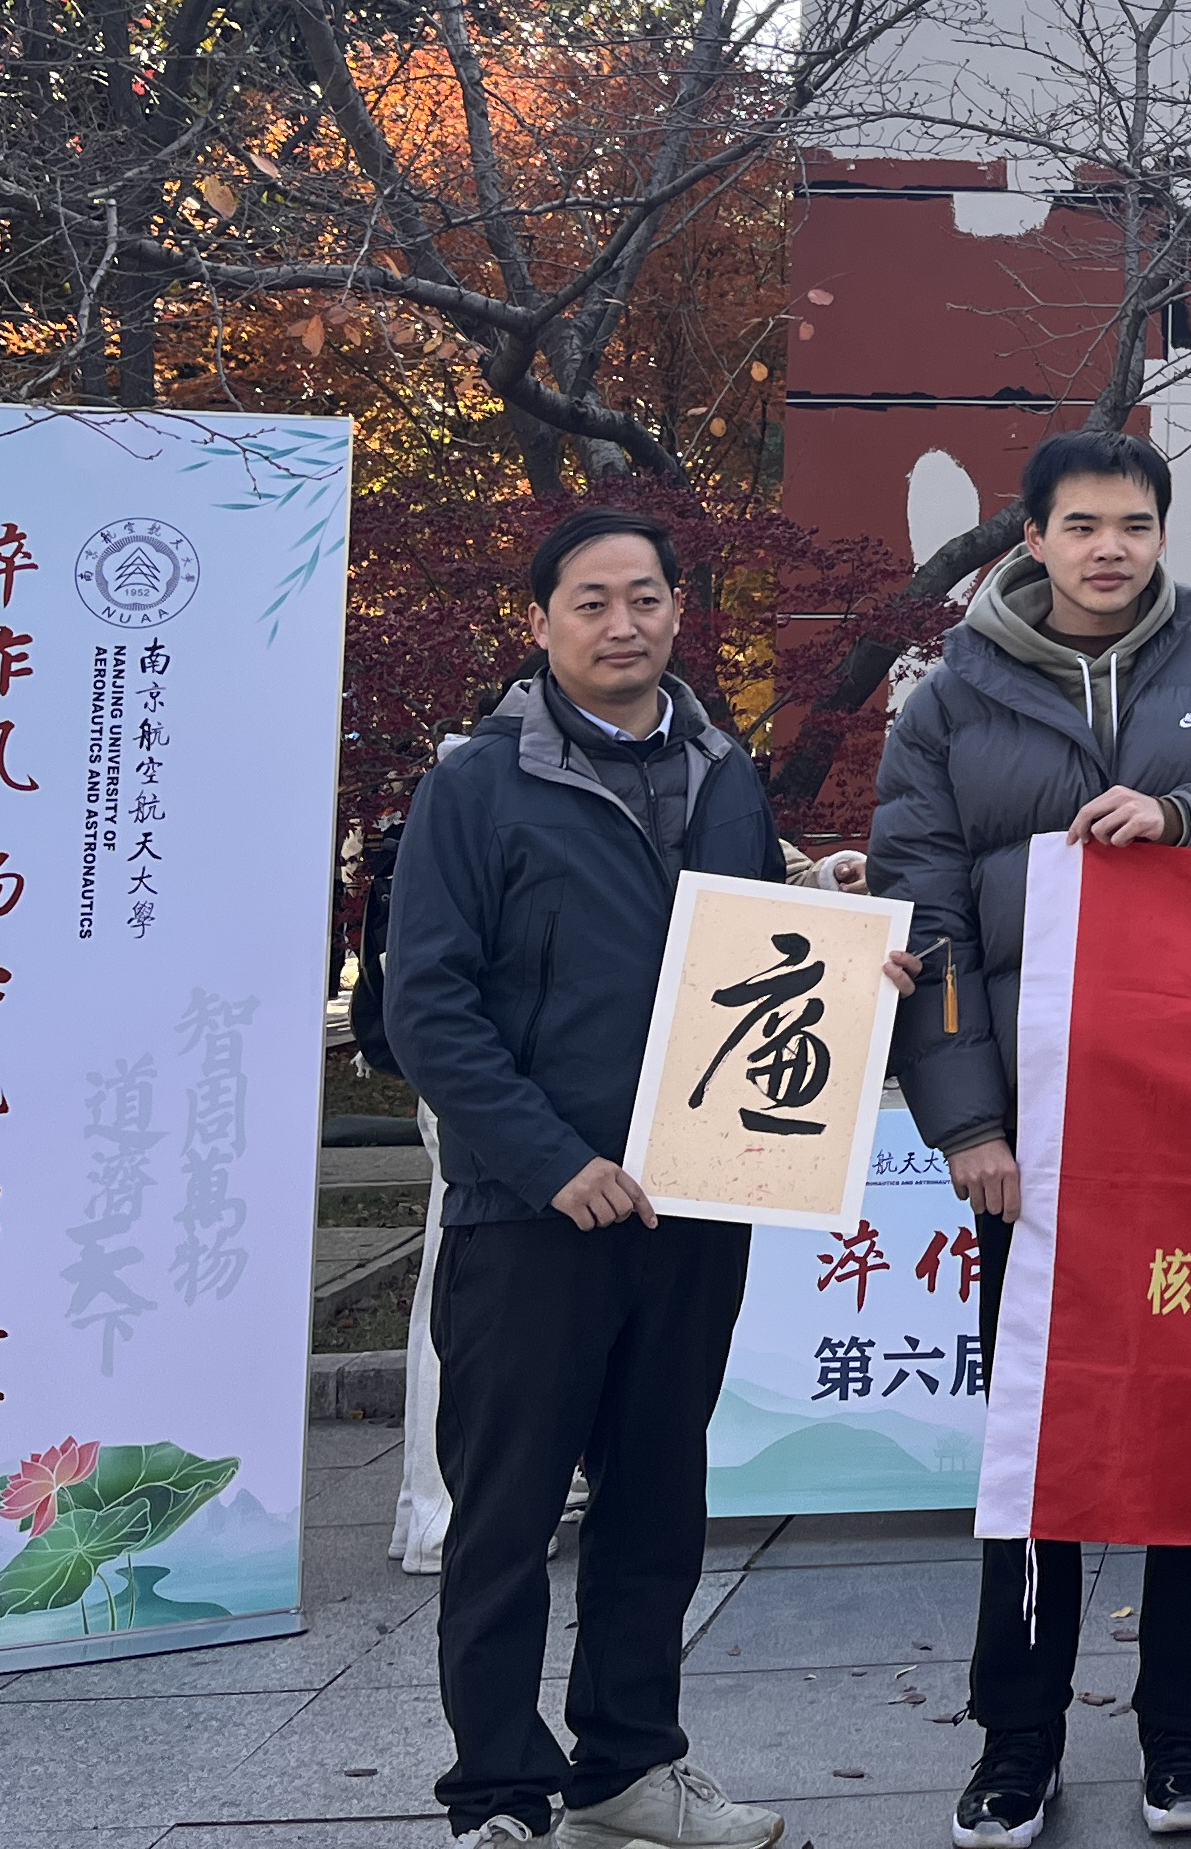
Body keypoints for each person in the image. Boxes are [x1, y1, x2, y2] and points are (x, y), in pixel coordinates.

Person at [389, 507, 918, 1849]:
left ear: (680, 611)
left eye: (645, 598)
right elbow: (427, 1008)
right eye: (591, 601)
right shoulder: (476, 784)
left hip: (692, 1202)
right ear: (540, 623)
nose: (622, 623)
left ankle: (629, 1766)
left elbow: (747, 959)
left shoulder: (722, 771)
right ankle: (498, 1792)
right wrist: (550, 1160)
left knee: (656, 1503)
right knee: (506, 1515)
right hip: (533, 1212)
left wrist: (850, 949)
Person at [867, 431, 1191, 1845]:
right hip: (1032, 1140)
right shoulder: (950, 699)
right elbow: (926, 918)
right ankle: (1015, 1740)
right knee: (1037, 1444)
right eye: (1081, 525)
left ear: (1161, 536)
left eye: (1133, 525)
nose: (1109, 550)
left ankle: (1183, 1732)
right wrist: (967, 1121)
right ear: (1030, 537)